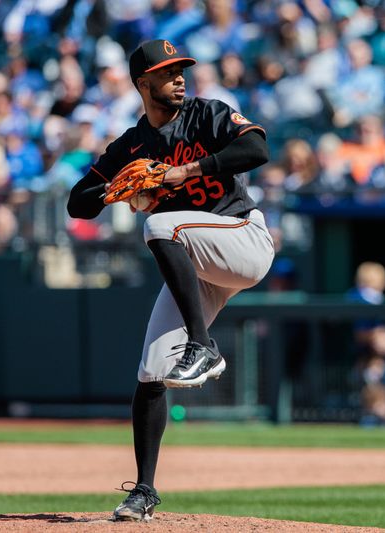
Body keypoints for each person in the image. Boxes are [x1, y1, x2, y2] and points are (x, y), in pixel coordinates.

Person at [66, 39, 275, 521]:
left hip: (243, 238)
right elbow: (78, 201)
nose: (179, 77)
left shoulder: (207, 114)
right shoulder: (132, 145)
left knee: (160, 224)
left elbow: (257, 147)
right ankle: (143, 491)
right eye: (167, 71)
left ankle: (203, 347)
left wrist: (189, 169)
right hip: (199, 266)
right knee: (152, 371)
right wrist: (116, 189)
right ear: (143, 84)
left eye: (181, 68)